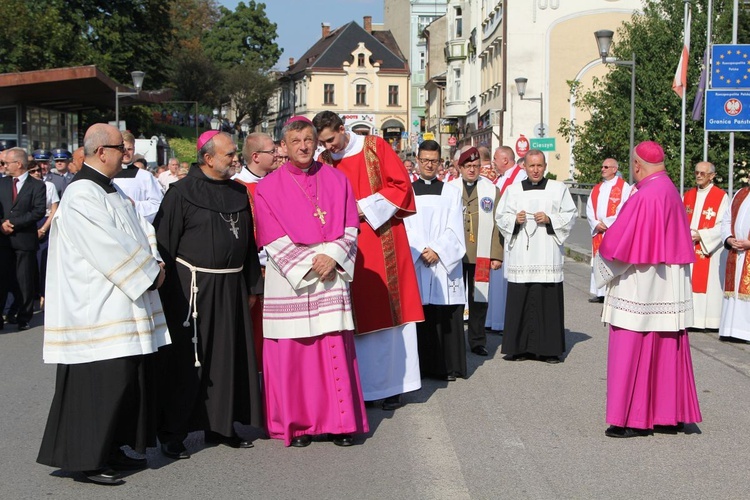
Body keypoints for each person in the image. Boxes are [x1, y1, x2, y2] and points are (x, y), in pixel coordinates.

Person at [37, 123, 169, 485]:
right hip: (99, 306)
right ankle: (87, 458)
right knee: (101, 384)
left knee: (123, 380)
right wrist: (149, 273)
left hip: (122, 299)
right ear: (101, 151)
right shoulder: (81, 194)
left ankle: (110, 448)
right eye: (120, 147)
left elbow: (143, 231)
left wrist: (155, 261)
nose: (126, 153)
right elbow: (107, 246)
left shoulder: (113, 190)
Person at [254, 116, 368, 447]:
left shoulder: (337, 180)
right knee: (297, 353)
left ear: (316, 142)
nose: (303, 146)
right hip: (292, 280)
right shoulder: (267, 187)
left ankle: (340, 424)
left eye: (308, 139)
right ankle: (300, 424)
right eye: (296, 141)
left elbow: (350, 225)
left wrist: (332, 256)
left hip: (329, 275)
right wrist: (310, 263)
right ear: (284, 147)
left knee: (331, 346)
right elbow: (271, 237)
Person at [154, 130, 263, 459]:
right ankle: (174, 432)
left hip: (231, 287)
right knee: (189, 362)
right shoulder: (181, 193)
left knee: (227, 358)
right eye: (229, 154)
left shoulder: (238, 192)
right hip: (192, 291)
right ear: (208, 158)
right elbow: (164, 244)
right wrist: (169, 294)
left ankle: (222, 424)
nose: (235, 159)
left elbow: (248, 246)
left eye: (234, 154)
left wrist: (252, 285)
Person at [314, 110, 424, 411]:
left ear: (342, 128)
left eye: (331, 140)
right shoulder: (324, 161)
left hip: (381, 237)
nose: (329, 148)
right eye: (323, 143)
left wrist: (363, 208)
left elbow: (401, 186)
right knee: (353, 313)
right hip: (345, 246)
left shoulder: (375, 147)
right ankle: (361, 387)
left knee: (387, 310)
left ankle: (393, 386)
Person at [593, 140, 702, 438]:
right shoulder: (669, 190)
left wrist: (602, 265)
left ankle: (630, 419)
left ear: (638, 166)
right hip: (669, 284)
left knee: (631, 345)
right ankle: (668, 416)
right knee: (665, 345)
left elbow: (619, 245)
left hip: (640, 284)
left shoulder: (643, 195)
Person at [496, 149, 577, 363]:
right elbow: (500, 216)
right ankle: (518, 348)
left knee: (546, 301)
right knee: (520, 299)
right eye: (531, 165)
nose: (535, 170)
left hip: (546, 254)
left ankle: (549, 350)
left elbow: (570, 215)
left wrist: (550, 219)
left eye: (539, 165)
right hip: (522, 255)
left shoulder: (558, 189)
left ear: (545, 166)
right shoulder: (513, 191)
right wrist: (515, 219)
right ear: (524, 166)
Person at [404, 140, 467, 381]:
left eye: (434, 160)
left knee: (444, 312)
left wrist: (438, 250)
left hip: (442, 263)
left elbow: (455, 228)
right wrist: (421, 249)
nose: (429, 165)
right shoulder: (407, 191)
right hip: (418, 260)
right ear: (417, 161)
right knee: (420, 312)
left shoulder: (451, 192)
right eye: (425, 160)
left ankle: (447, 367)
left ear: (441, 162)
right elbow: (404, 226)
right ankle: (420, 368)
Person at [449, 147, 503, 357]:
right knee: (453, 297)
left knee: (479, 299)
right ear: (459, 167)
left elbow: (498, 224)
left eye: (476, 166)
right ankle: (453, 339)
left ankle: (477, 340)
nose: (472, 170)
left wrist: (496, 254)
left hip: (481, 253)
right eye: (468, 166)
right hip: (455, 254)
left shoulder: (491, 189)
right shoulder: (450, 189)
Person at [233, 132, 280, 367]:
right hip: (255, 271)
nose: (278, 154)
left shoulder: (280, 181)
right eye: (272, 151)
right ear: (255, 156)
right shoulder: (237, 188)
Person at [0, 147, 46, 331]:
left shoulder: (37, 186)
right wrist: (1, 224)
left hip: (24, 240)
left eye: (6, 163)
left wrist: (14, 223)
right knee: (2, 279)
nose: (4, 166)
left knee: (24, 280)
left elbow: (38, 211)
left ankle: (23, 317)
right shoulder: (2, 184)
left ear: (18, 164)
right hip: (3, 240)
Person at [485, 146, 527, 332]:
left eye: (495, 158)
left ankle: (505, 322)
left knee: (506, 279)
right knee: (496, 279)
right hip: (498, 234)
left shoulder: (520, 177)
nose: (493, 161)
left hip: (511, 235)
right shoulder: (501, 178)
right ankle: (495, 320)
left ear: (505, 160)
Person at [682, 161, 728, 330]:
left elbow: (723, 225)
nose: (699, 176)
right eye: (696, 172)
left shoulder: (721, 196)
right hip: (689, 247)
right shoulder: (688, 195)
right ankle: (690, 319)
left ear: (712, 176)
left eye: (703, 173)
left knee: (708, 284)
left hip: (709, 249)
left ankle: (708, 321)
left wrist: (701, 235)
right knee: (688, 282)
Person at [585, 158, 632, 303]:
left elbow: (624, 208)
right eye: (602, 166)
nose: (603, 169)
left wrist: (607, 223)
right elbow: (589, 208)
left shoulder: (624, 188)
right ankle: (600, 293)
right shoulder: (597, 188)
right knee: (599, 260)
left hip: (613, 230)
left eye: (606, 167)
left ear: (614, 169)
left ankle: (612, 292)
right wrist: (595, 223)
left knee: (612, 260)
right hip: (599, 231)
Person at [718, 184, 750, 342]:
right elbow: (726, 219)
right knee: (734, 291)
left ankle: (746, 332)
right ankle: (730, 329)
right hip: (736, 252)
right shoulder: (740, 193)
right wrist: (729, 238)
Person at [28, 162, 60, 311]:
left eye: (38, 171)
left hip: (45, 223)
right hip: (28, 224)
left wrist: (43, 229)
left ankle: (43, 295)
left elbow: (54, 209)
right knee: (29, 264)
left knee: (43, 264)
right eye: (32, 171)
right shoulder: (24, 187)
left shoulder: (49, 186)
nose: (37, 173)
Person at [112, 131, 163, 223]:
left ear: (134, 149)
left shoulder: (145, 176)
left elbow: (158, 204)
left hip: (138, 225)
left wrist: (135, 204)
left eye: (129, 149)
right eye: (123, 148)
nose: (126, 153)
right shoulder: (109, 175)